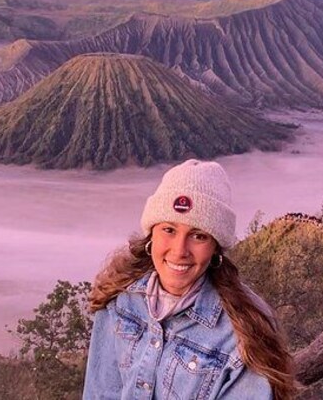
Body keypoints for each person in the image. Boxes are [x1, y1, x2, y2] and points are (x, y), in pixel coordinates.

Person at [83, 159, 296, 399]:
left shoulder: (244, 331)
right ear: (151, 233)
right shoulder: (120, 300)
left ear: (216, 247)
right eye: (169, 230)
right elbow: (99, 393)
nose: (179, 250)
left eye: (198, 235)